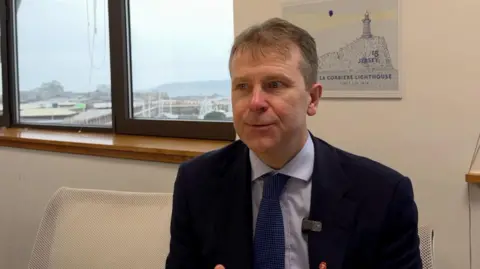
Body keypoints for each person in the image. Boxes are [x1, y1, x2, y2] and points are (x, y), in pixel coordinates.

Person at [165, 17, 422, 269]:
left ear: (312, 99)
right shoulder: (197, 182)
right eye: (242, 86)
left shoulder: (383, 195)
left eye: (274, 84)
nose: (255, 102)